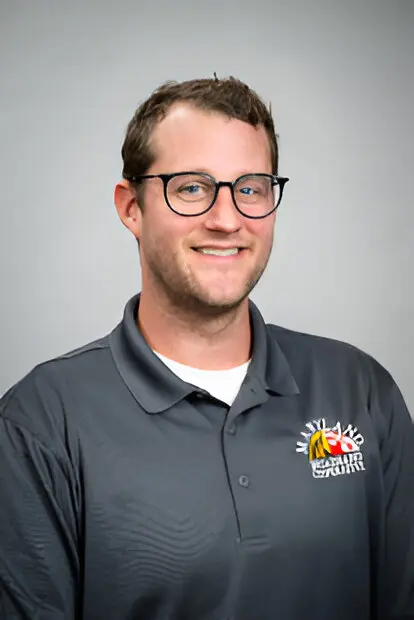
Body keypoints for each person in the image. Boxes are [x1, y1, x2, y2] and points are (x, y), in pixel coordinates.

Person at [0, 77, 413, 620]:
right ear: (131, 208)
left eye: (251, 187)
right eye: (192, 187)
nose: (227, 218)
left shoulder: (361, 390)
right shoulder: (41, 422)